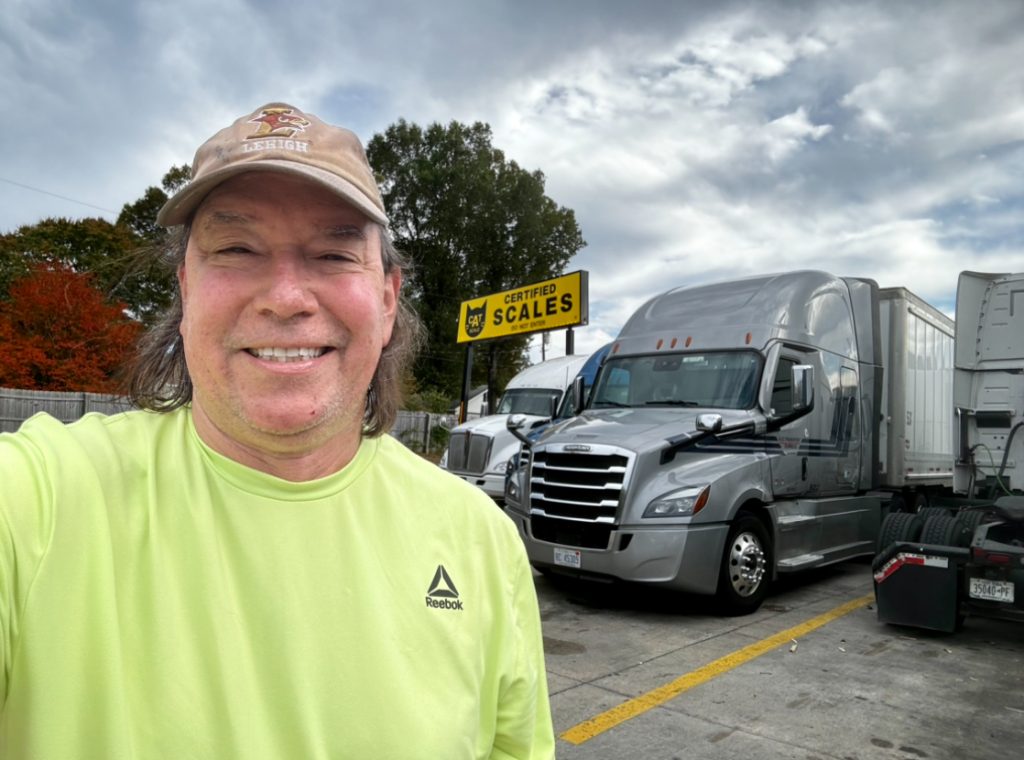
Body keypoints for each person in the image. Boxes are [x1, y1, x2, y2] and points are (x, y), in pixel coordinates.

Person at [0, 102, 555, 758]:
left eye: (333, 253)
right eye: (237, 249)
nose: (287, 297)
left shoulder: (481, 542)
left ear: (385, 300)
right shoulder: (39, 499)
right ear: (186, 289)